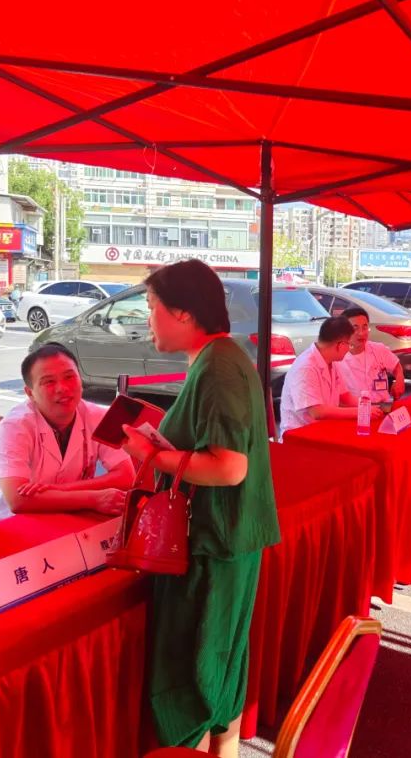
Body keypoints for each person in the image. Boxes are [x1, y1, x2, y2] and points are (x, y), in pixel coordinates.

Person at [118, 259, 280, 756]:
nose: (148, 319)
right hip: (223, 540)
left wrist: (151, 455)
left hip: (212, 545)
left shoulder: (218, 367)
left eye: (152, 307)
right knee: (220, 667)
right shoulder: (220, 358)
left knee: (198, 671)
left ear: (183, 313)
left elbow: (229, 468)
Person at [0, 344, 136, 523]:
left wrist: (56, 491)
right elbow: (17, 499)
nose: (62, 388)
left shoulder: (98, 416)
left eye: (69, 377)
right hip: (18, 524)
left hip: (73, 518)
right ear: (30, 393)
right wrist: (93, 498)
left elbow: (126, 476)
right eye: (49, 381)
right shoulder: (15, 425)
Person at [279, 316, 382, 435]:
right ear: (340, 345)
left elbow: (345, 397)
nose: (349, 349)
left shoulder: (331, 361)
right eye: (349, 344)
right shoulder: (305, 367)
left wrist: (371, 407)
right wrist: (360, 412)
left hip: (325, 428)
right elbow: (317, 412)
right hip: (300, 435)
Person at [337, 307, 405, 405]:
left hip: (383, 406)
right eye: (355, 328)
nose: (361, 333)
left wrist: (399, 380)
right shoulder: (337, 360)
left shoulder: (378, 349)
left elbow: (396, 366)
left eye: (364, 327)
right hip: (355, 410)